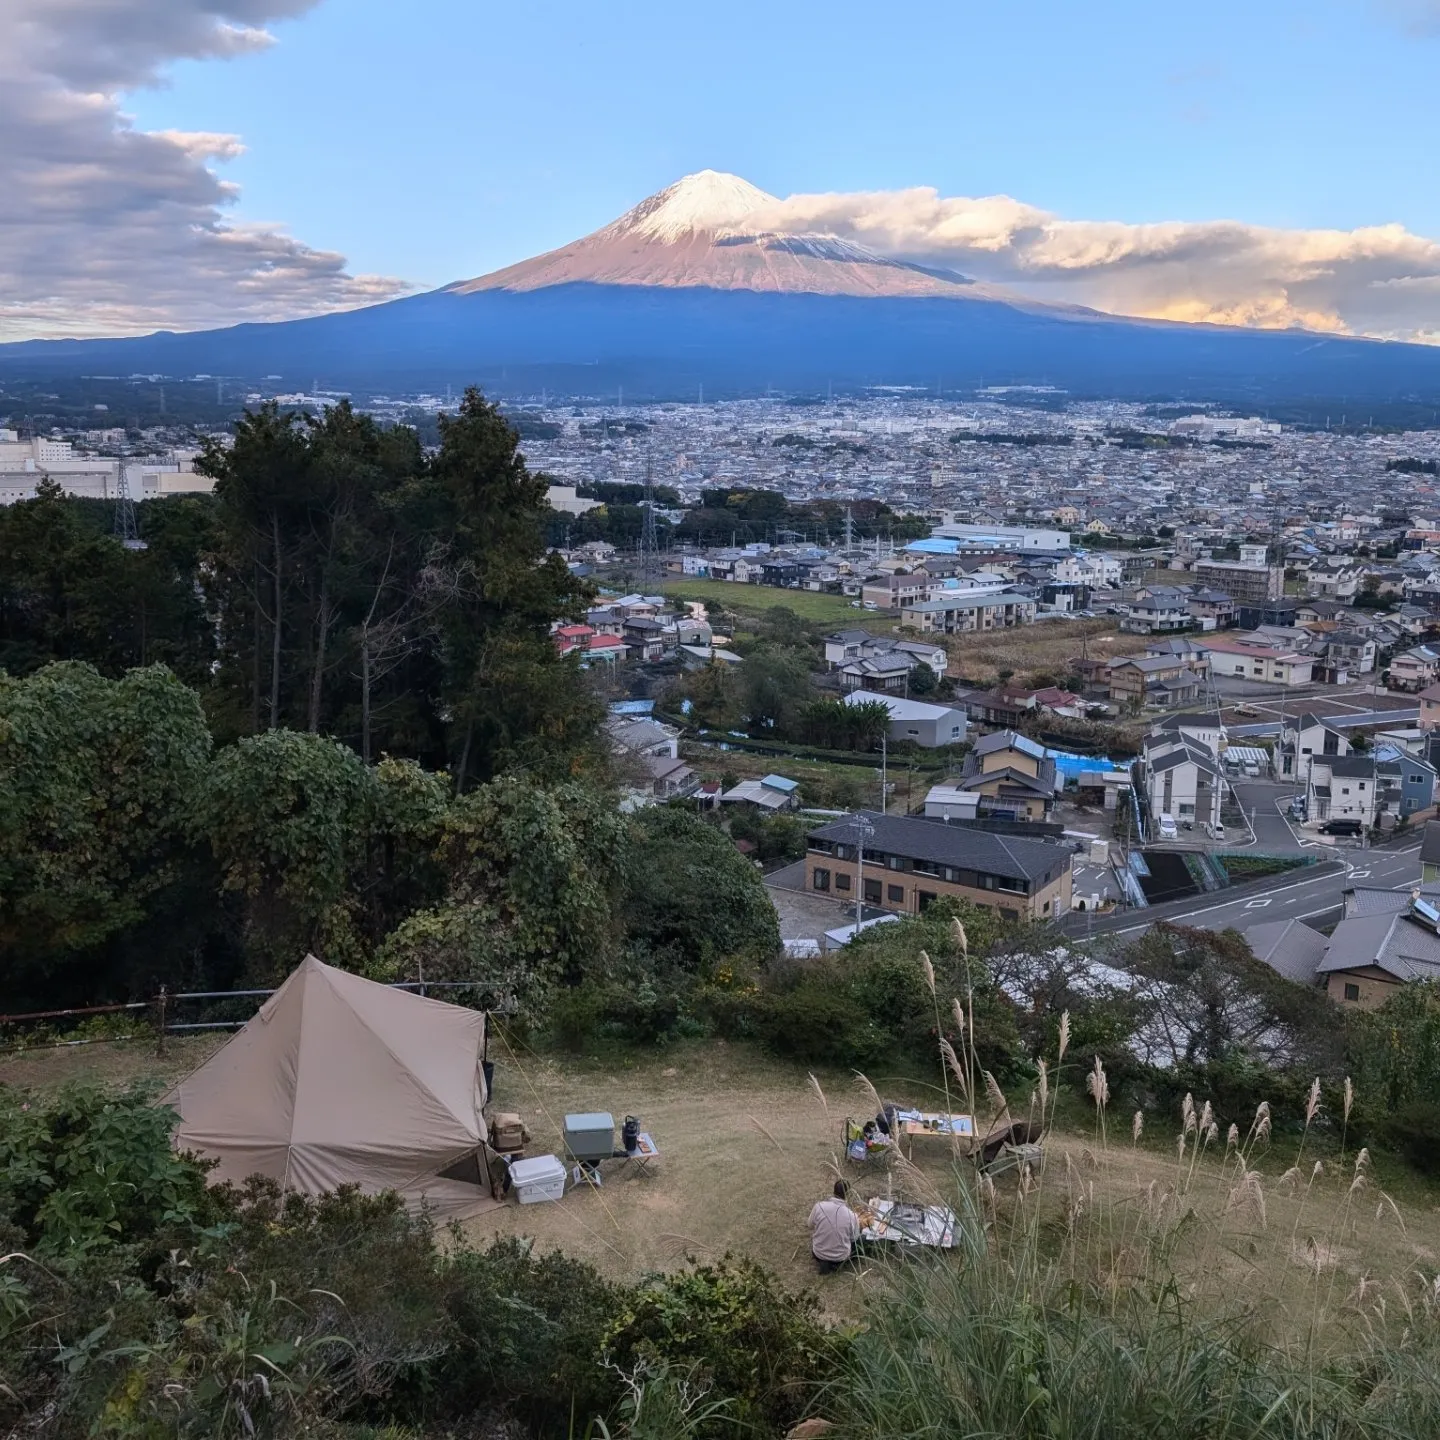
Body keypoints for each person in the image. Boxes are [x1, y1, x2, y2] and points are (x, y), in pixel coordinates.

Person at [809, 1180, 861, 1273]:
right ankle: (835, 1263)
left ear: (834, 1191)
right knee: (860, 1242)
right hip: (840, 1258)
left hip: (818, 1253)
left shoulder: (819, 1206)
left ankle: (825, 1261)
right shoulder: (852, 1216)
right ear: (848, 1194)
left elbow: (809, 1224)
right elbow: (854, 1239)